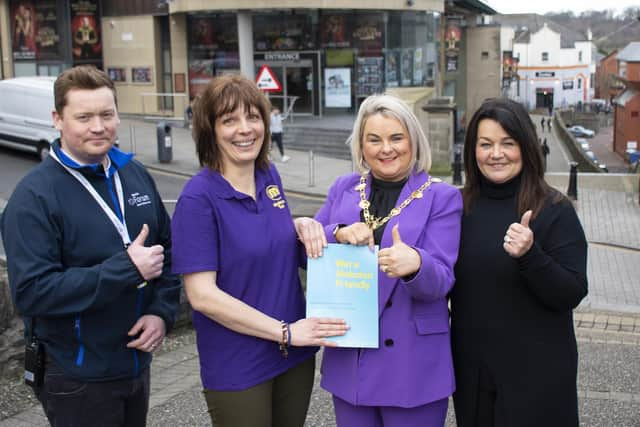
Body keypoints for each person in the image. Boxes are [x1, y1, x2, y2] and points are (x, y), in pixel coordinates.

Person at [0, 65, 181, 426]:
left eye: (107, 114)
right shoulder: (33, 198)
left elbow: (170, 250)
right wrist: (126, 269)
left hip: (135, 364)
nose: (99, 127)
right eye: (84, 117)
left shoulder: (133, 174)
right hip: (77, 376)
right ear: (57, 119)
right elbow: (32, 293)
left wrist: (161, 313)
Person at [170, 74, 348, 427]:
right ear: (210, 129)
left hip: (293, 356)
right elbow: (202, 296)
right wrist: (285, 331)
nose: (245, 129)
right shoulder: (197, 199)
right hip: (239, 363)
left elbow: (276, 244)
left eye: (253, 117)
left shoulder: (269, 178)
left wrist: (310, 227)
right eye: (229, 120)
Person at [314, 94, 463, 426]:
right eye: (374, 139)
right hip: (352, 355)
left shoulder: (443, 196)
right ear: (361, 146)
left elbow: (441, 279)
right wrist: (336, 232)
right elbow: (305, 247)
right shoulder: (344, 187)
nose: (386, 149)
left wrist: (417, 264)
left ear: (413, 141)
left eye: (396, 138)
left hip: (412, 364)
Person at [450, 98, 588, 426]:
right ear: (472, 151)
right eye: (485, 144)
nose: (496, 154)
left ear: (525, 146)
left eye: (507, 143)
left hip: (537, 376)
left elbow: (572, 292)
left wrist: (531, 255)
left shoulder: (554, 208)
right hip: (475, 375)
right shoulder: (457, 207)